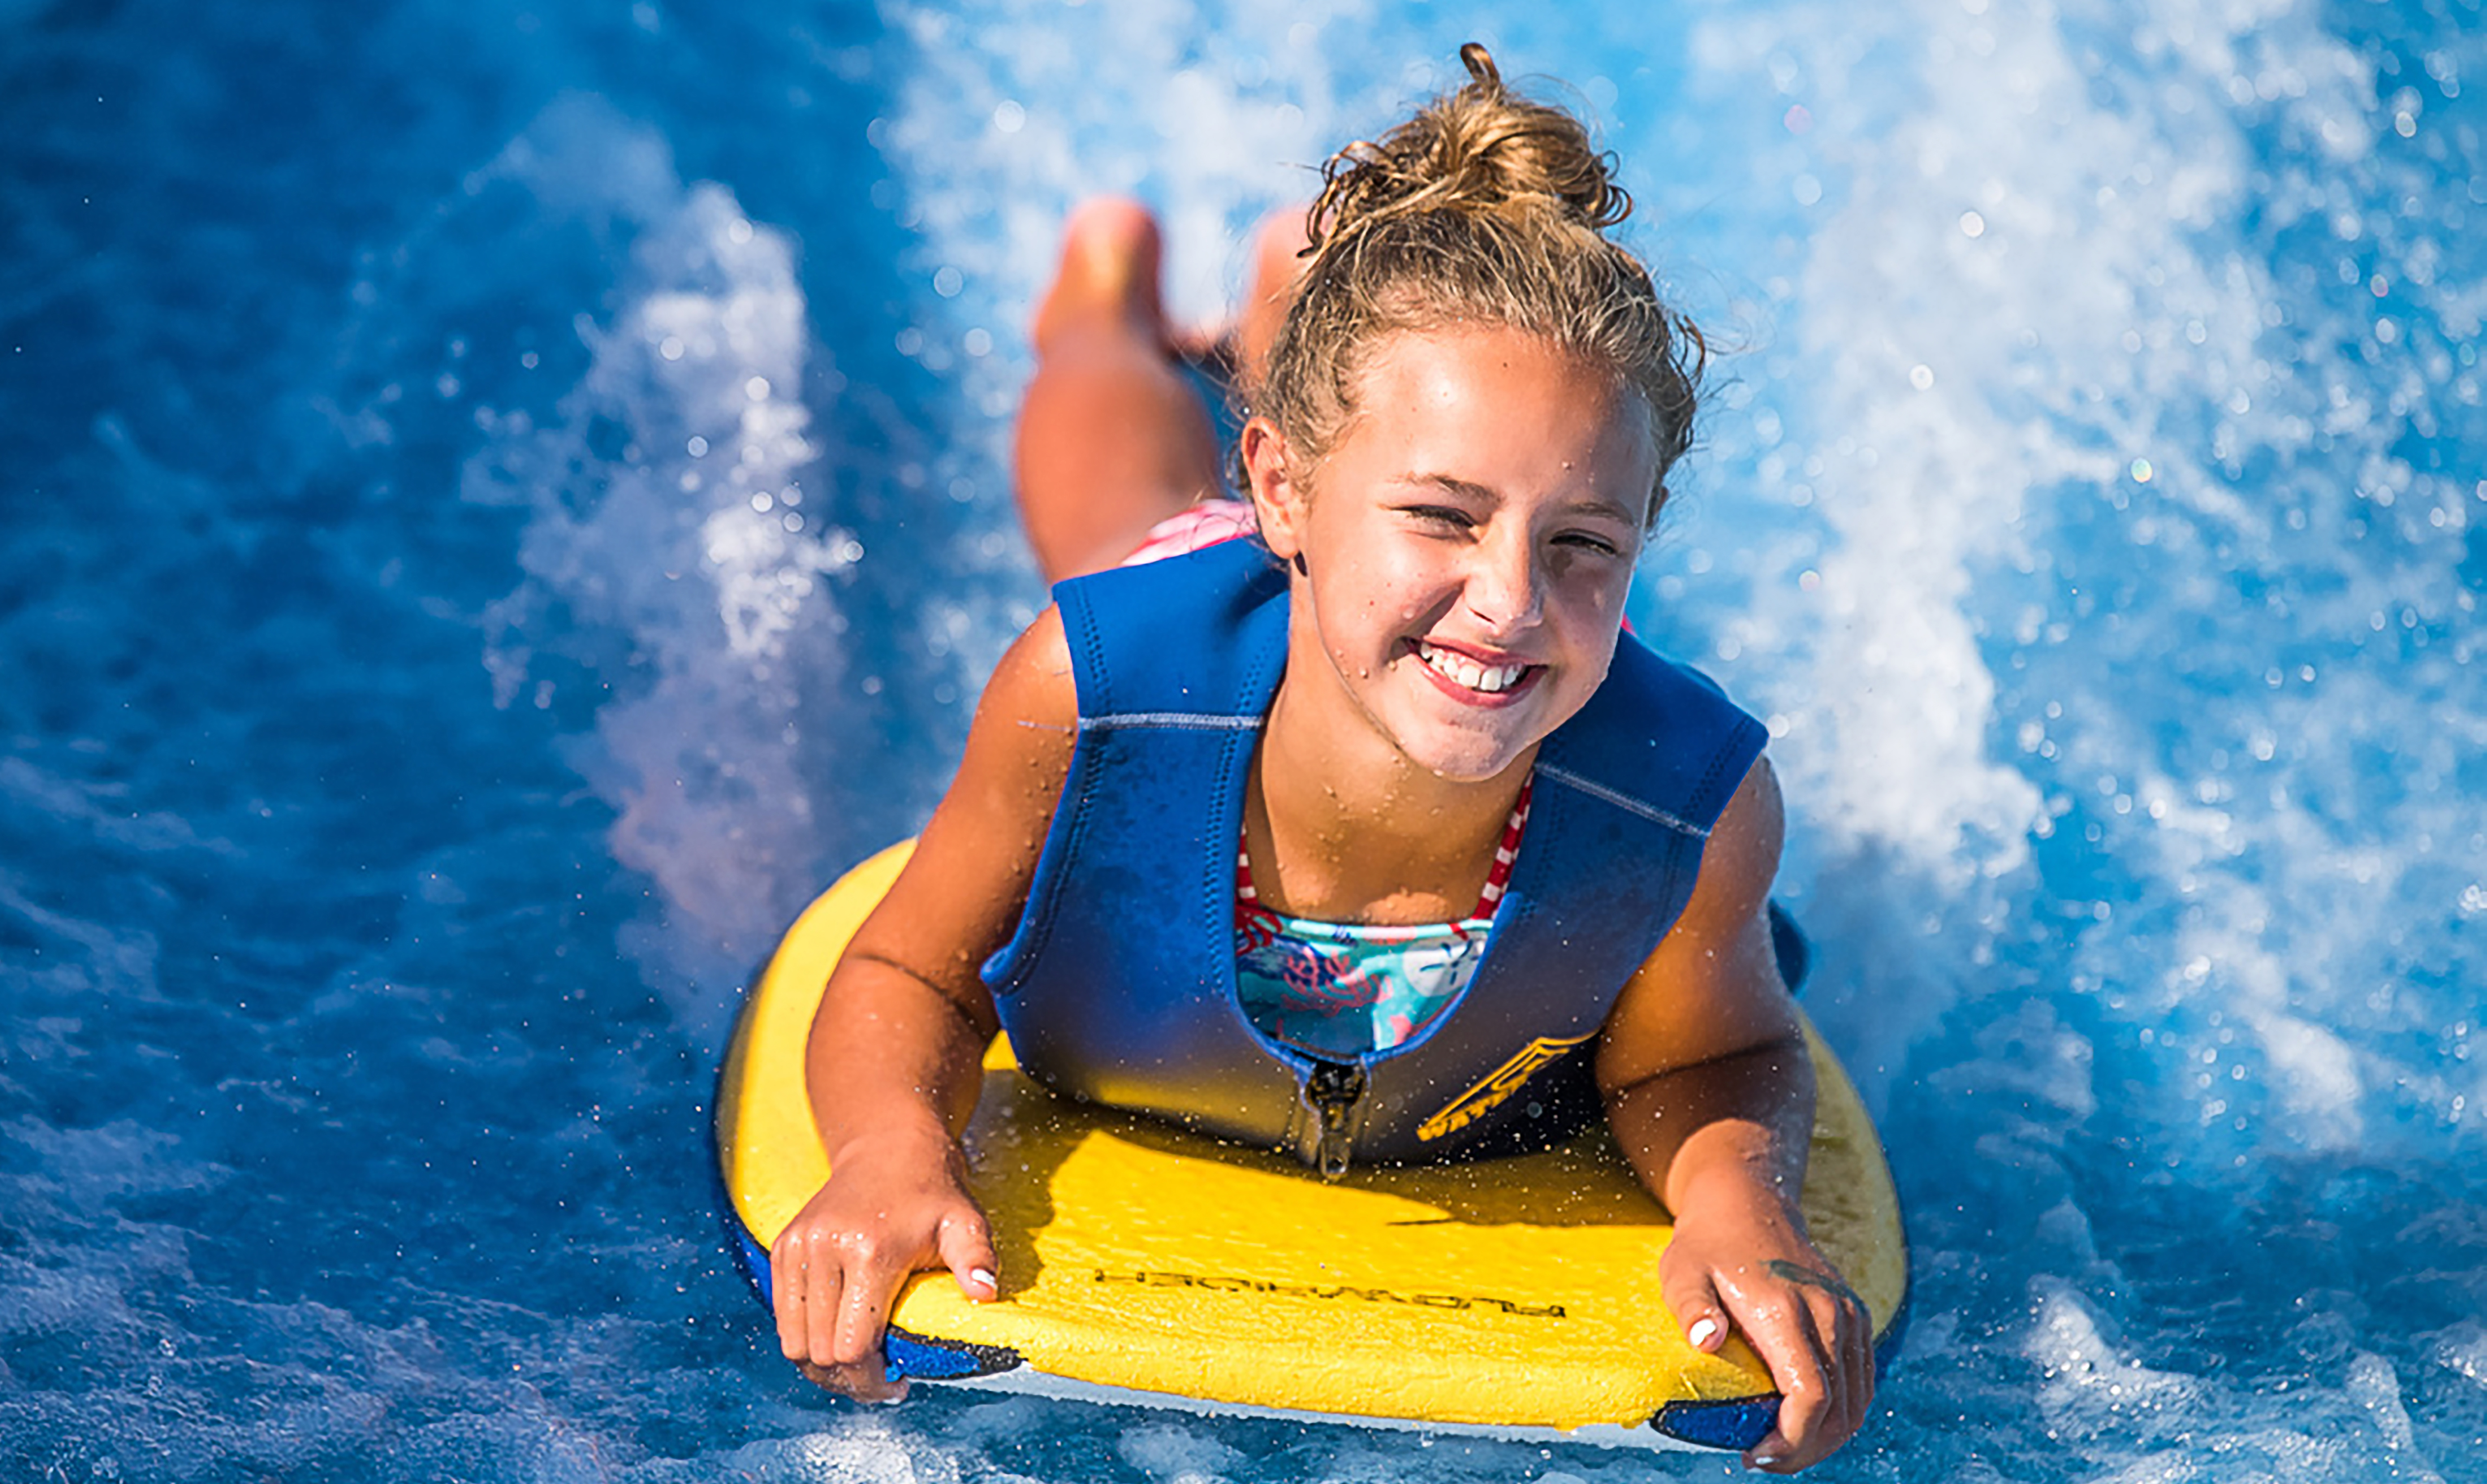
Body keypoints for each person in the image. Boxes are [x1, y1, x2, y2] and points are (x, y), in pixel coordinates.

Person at [769, 45, 1875, 1473]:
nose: (1510, 601)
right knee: (1119, 513)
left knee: (1411, 530)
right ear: (1280, 487)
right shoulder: (1105, 699)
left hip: (1343, 591)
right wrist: (888, 1148)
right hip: (1226, 631)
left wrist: (1737, 1195)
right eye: (1442, 514)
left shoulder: (1683, 810)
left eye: (1585, 543)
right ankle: (1107, 306)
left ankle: (1308, 311)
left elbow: (1712, 1055)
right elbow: (905, 972)